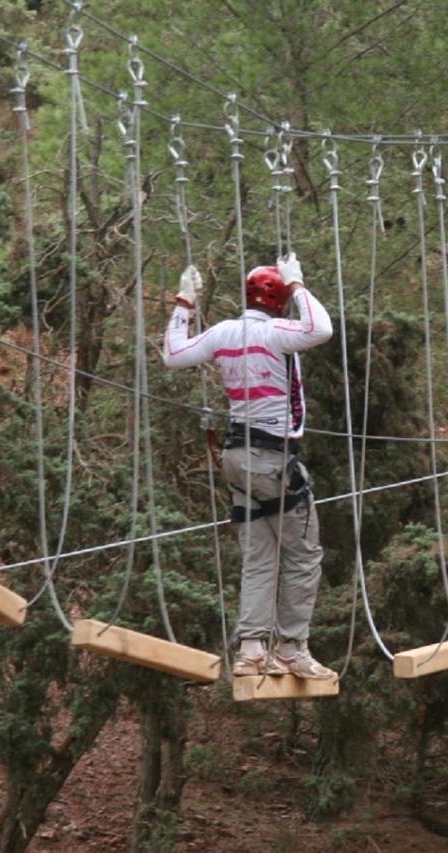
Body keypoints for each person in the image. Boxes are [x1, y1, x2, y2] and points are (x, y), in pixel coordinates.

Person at [162, 253, 335, 680]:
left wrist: (184, 303)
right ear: (277, 303)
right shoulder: (279, 332)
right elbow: (322, 328)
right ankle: (292, 648)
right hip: (273, 460)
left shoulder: (222, 332)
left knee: (259, 557)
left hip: (237, 460)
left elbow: (173, 354)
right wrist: (298, 286)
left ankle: (253, 649)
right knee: (303, 555)